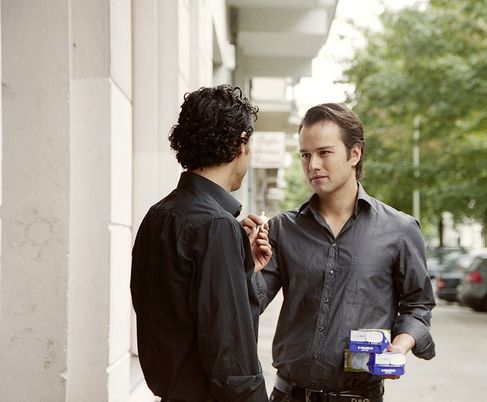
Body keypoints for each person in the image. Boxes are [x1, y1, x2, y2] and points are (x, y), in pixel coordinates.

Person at [243, 103, 436, 402]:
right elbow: (248, 306)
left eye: (324, 153)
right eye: (305, 155)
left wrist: (399, 346)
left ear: (354, 154)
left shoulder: (399, 230)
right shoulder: (282, 229)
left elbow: (418, 304)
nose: (313, 165)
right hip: (289, 395)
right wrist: (248, 266)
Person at [131, 85, 271, 402]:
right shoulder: (216, 226)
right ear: (241, 143)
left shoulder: (158, 215)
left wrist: (244, 267)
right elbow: (232, 360)